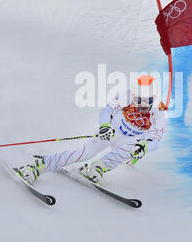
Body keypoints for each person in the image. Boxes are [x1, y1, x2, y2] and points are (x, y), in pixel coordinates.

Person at [16, 74, 167, 184]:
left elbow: (155, 140)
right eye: (139, 100)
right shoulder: (125, 95)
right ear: (134, 95)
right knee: (85, 153)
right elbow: (107, 110)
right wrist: (105, 126)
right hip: (113, 131)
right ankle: (39, 166)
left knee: (134, 147)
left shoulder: (159, 111)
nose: (144, 104)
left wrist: (144, 147)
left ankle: (98, 168)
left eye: (149, 100)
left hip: (130, 140)